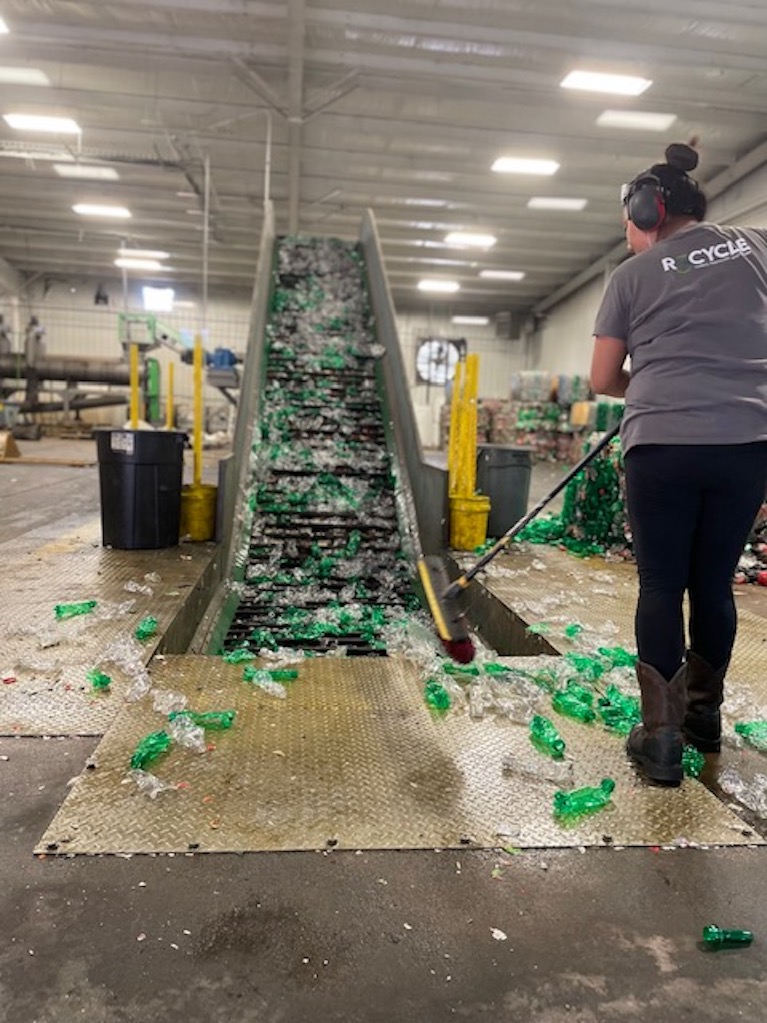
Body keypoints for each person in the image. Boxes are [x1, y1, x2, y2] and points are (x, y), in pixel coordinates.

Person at [590, 142, 767, 785]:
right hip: (747, 442)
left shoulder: (629, 279)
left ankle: (661, 741)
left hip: (660, 444)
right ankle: (703, 719)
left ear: (647, 208)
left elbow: (603, 377)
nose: (631, 236)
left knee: (662, 586)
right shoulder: (756, 245)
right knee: (714, 585)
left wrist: (659, 381)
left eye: (629, 223)